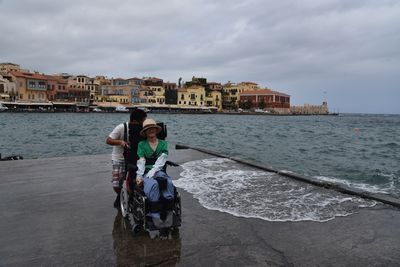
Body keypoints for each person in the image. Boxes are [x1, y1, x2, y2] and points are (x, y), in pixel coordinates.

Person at [106, 108, 147, 209]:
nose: (143, 123)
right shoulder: (122, 127)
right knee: (117, 184)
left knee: (134, 180)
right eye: (142, 121)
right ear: (134, 121)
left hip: (133, 158)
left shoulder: (142, 129)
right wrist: (120, 142)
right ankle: (120, 196)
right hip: (119, 158)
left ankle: (129, 197)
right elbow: (108, 140)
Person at [136, 119, 174, 214]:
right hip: (145, 171)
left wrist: (153, 171)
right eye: (148, 129)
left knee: (168, 182)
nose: (151, 130)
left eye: (153, 128)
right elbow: (141, 161)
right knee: (154, 184)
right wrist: (139, 176)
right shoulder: (141, 144)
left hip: (158, 170)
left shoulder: (163, 144)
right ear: (145, 132)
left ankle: (168, 208)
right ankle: (154, 211)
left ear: (156, 130)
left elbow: (162, 160)